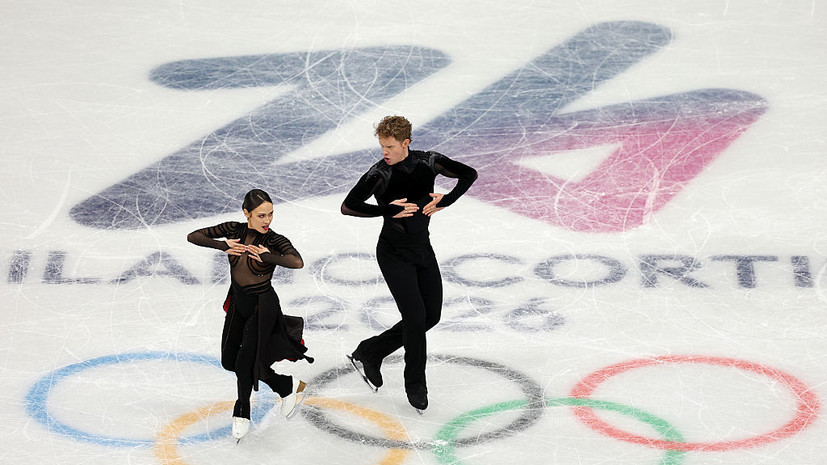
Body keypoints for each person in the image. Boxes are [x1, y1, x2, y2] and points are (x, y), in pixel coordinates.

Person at [341, 115, 478, 412]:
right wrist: (386, 211)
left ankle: (370, 351)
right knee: (415, 316)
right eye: (381, 146)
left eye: (389, 146)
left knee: (431, 316)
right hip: (392, 253)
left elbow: (469, 174)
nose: (384, 152)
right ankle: (415, 383)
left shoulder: (428, 162)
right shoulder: (379, 173)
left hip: (421, 249)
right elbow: (348, 206)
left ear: (406, 143)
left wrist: (445, 201)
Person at [187, 189, 313, 441]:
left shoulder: (275, 240)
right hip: (238, 303)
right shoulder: (234, 230)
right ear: (247, 214)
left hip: (262, 306)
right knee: (229, 361)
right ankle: (284, 385)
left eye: (271, 214)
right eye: (261, 215)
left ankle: (242, 410)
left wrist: (268, 256)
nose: (267, 220)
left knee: (246, 362)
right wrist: (223, 246)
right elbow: (194, 236)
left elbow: (297, 262)